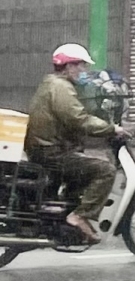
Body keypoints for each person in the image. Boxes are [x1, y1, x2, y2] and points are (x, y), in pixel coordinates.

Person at [25, 43, 119, 241]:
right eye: (81, 66)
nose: (83, 71)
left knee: (82, 167)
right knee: (105, 170)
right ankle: (79, 216)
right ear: (69, 67)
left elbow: (72, 118)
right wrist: (112, 129)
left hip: (44, 149)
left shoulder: (52, 83)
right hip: (51, 152)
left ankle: (64, 212)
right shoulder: (61, 87)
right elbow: (78, 118)